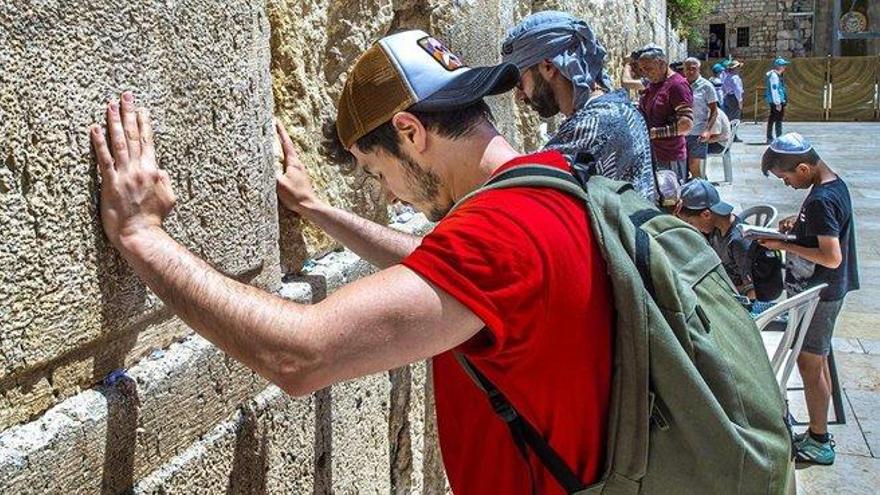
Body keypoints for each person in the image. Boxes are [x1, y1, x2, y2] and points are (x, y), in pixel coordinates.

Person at [89, 29, 614, 493]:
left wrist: (143, 235)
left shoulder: (496, 237)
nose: (388, 195)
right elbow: (439, 270)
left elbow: (301, 357)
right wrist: (316, 210)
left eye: (376, 170)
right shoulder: (548, 184)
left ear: (410, 132)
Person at [760, 133, 860, 466]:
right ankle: (818, 431)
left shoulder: (820, 200)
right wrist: (799, 227)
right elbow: (825, 230)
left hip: (823, 292)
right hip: (828, 291)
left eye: (786, 177)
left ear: (803, 168)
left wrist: (785, 245)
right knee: (815, 359)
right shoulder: (832, 185)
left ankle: (819, 440)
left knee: (810, 363)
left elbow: (831, 257)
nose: (787, 184)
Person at [500, 11, 656, 201]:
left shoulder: (596, 126)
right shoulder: (620, 107)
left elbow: (520, 197)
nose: (519, 96)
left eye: (519, 83)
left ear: (548, 66)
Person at [675, 179, 755, 299]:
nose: (692, 227)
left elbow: (753, 291)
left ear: (706, 214)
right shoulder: (715, 227)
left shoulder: (739, 242)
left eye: (690, 222)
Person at [636, 44, 694, 183]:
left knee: (671, 199)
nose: (646, 73)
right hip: (654, 154)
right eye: (643, 70)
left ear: (662, 63)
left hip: (670, 156)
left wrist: (655, 133)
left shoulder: (677, 86)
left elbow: (686, 125)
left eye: (649, 69)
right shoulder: (654, 84)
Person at [683, 58, 719, 179]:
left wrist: (707, 130)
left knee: (694, 165)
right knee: (682, 167)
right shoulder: (680, 85)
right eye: (688, 69)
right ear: (684, 70)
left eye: (694, 69)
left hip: (698, 133)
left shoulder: (707, 87)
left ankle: (699, 192)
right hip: (681, 132)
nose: (691, 71)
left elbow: (714, 111)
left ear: (698, 69)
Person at [765, 58, 789, 143]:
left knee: (772, 119)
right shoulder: (774, 76)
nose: (785, 67)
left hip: (775, 101)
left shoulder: (775, 75)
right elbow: (774, 90)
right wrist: (778, 103)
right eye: (783, 65)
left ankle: (770, 137)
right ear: (779, 66)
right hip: (776, 101)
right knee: (778, 120)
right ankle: (779, 138)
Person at [722, 60, 744, 142]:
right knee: (735, 118)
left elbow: (724, 89)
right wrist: (740, 101)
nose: (739, 69)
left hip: (728, 97)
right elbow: (737, 90)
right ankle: (733, 136)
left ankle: (729, 134)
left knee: (729, 117)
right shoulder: (735, 78)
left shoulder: (727, 77)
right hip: (734, 98)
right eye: (738, 67)